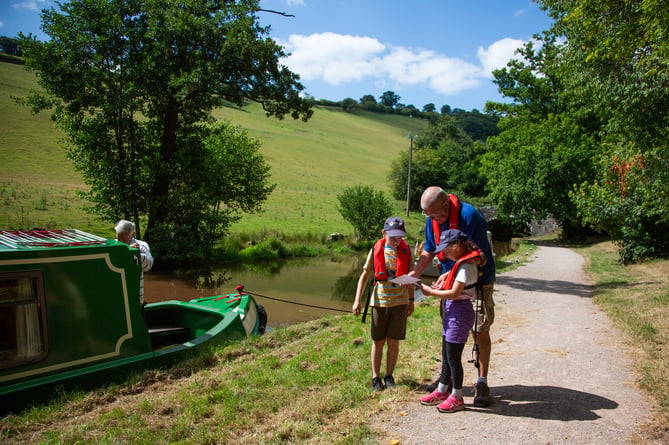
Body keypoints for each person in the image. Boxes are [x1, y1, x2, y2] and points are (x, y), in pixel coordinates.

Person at [409, 186, 496, 407]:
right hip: (450, 281)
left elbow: (478, 254)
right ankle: (445, 382)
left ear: (446, 204)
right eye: (427, 215)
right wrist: (415, 274)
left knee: (480, 330)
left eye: (434, 214)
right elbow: (429, 250)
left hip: (477, 282)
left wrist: (450, 273)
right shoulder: (432, 218)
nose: (431, 219)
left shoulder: (470, 216)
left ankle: (482, 381)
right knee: (449, 332)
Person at [418, 229, 487, 413]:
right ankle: (442, 390)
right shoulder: (459, 264)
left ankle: (457, 396)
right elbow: (451, 283)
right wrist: (443, 277)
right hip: (452, 311)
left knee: (454, 359)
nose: (444, 253)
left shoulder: (466, 267)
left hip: (460, 312)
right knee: (446, 355)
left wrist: (430, 292)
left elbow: (455, 293)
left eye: (446, 249)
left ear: (457, 246)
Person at [352, 216, 415, 391]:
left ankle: (389, 375)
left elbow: (410, 278)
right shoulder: (376, 250)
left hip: (400, 303)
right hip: (380, 302)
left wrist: (411, 301)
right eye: (393, 236)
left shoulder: (407, 250)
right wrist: (357, 300)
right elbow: (364, 276)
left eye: (400, 237)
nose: (397, 240)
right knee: (378, 341)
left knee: (394, 341)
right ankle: (375, 377)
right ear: (384, 233)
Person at [114, 219, 154, 304]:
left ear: (132, 235)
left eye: (124, 240)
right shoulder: (113, 245)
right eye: (118, 238)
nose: (121, 242)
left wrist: (134, 253)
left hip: (136, 294)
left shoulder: (142, 246)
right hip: (117, 293)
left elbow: (148, 266)